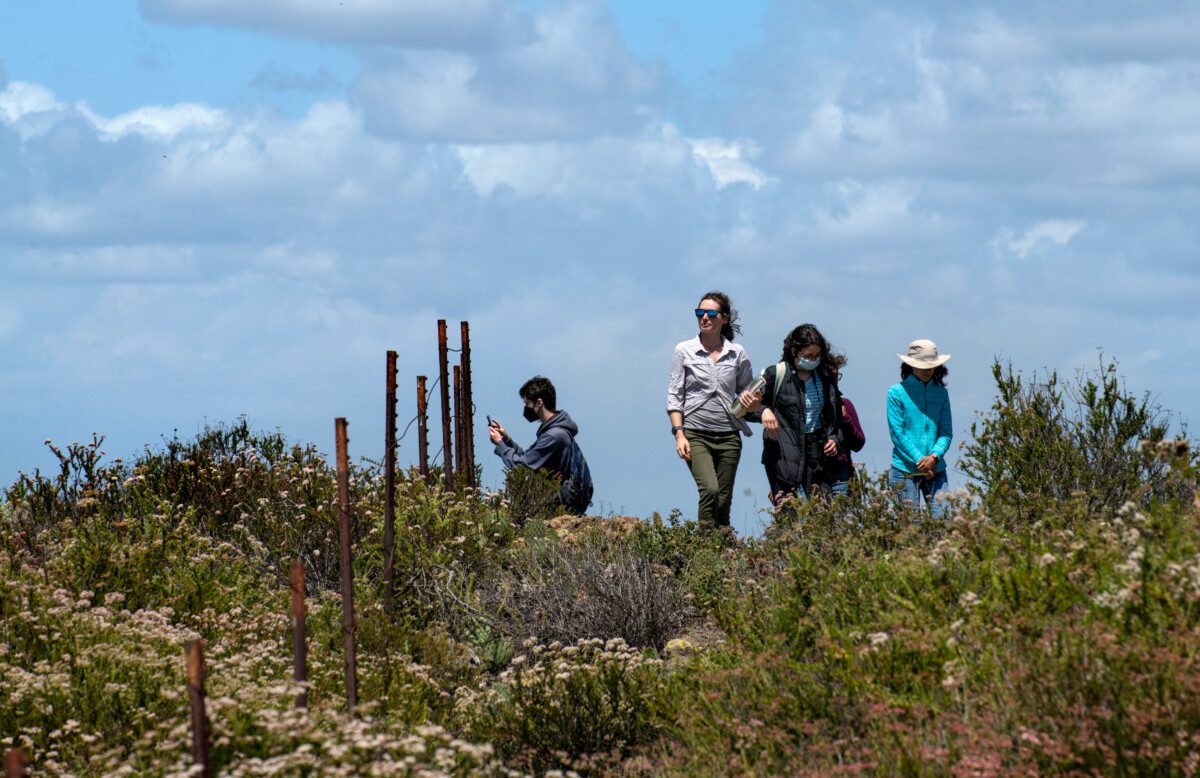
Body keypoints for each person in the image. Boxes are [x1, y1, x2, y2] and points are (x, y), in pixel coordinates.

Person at [666, 291, 755, 528]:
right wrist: (679, 433)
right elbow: (675, 397)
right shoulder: (683, 350)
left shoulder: (737, 353)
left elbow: (750, 393)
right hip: (695, 433)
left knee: (724, 500)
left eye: (711, 313)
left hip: (729, 435)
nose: (704, 317)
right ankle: (704, 549)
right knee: (710, 489)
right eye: (699, 312)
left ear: (724, 318)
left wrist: (753, 401)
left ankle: (723, 552)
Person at [742, 323, 845, 503]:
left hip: (817, 453)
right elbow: (742, 408)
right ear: (794, 351)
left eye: (817, 356)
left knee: (823, 513)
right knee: (788, 514)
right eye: (808, 356)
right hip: (782, 451)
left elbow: (834, 416)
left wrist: (833, 438)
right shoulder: (775, 373)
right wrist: (764, 410)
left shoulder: (826, 376)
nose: (813, 360)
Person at [488, 375, 591, 514]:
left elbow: (522, 466)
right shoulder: (555, 431)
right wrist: (507, 440)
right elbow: (530, 458)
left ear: (539, 402)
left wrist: (500, 443)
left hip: (557, 504)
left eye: (527, 404)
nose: (526, 408)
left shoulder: (553, 436)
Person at [887, 339, 953, 517]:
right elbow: (897, 433)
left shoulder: (941, 393)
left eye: (931, 365)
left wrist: (933, 457)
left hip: (936, 468)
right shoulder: (896, 392)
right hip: (904, 470)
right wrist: (921, 461)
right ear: (911, 365)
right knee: (911, 528)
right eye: (923, 365)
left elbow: (946, 432)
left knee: (944, 523)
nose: (928, 370)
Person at [827, 353, 866, 496]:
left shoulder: (845, 404)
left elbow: (859, 443)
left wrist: (845, 418)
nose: (834, 381)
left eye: (836, 376)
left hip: (841, 476)